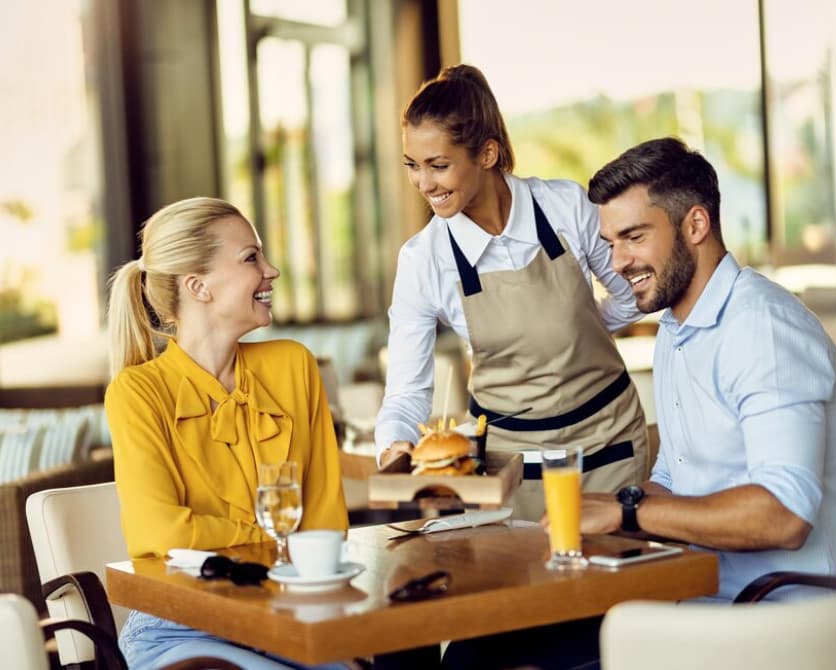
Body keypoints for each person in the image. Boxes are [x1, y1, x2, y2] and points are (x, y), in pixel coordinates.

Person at [576, 137, 836, 601]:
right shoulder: (675, 329)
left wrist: (626, 515)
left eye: (634, 237)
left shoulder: (762, 329)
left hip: (781, 613)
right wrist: (609, 510)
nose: (617, 262)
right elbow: (675, 478)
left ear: (695, 224)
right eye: (611, 242)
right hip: (702, 591)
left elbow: (785, 514)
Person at [375, 64, 648, 520]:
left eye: (438, 166)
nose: (424, 184)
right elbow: (407, 391)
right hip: (511, 468)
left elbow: (629, 295)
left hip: (609, 446)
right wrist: (393, 444)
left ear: (486, 154)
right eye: (412, 166)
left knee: (614, 586)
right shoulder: (423, 260)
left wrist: (572, 330)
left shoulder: (565, 207)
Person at [105, 197, 351, 669]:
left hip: (289, 617)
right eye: (251, 258)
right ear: (198, 286)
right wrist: (274, 533)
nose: (272, 270)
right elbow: (159, 531)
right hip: (181, 629)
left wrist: (260, 544)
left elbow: (324, 524)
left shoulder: (294, 365)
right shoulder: (137, 393)